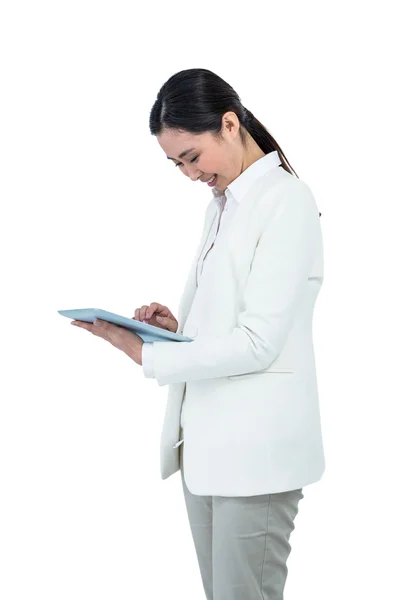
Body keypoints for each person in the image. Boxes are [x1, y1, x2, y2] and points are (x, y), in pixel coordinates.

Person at [74, 67, 325, 600]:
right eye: (176, 164)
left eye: (191, 157)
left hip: (257, 455)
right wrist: (175, 332)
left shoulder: (286, 201)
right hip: (209, 451)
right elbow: (232, 325)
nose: (189, 174)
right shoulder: (224, 207)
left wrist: (144, 354)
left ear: (229, 124)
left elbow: (259, 344)